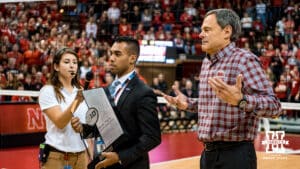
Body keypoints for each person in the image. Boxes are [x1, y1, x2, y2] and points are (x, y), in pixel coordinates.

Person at [162, 9, 282, 169]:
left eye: (207, 30)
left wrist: (241, 101)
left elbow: (274, 106)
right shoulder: (207, 62)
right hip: (208, 154)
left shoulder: (244, 60)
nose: (200, 35)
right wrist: (188, 104)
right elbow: (214, 105)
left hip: (235, 156)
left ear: (226, 32)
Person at [71, 36, 161, 169]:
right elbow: (105, 127)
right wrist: (83, 128)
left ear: (132, 58)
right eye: (111, 53)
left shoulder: (143, 92)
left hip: (130, 165)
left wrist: (120, 157)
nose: (111, 58)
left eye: (117, 54)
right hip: (104, 161)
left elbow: (152, 137)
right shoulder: (107, 89)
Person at [38, 47, 89, 169]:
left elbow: (88, 123)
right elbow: (60, 122)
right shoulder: (48, 91)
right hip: (57, 156)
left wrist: (83, 127)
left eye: (75, 62)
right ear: (56, 67)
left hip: (81, 155)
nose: (72, 66)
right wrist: (77, 101)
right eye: (66, 62)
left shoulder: (81, 91)